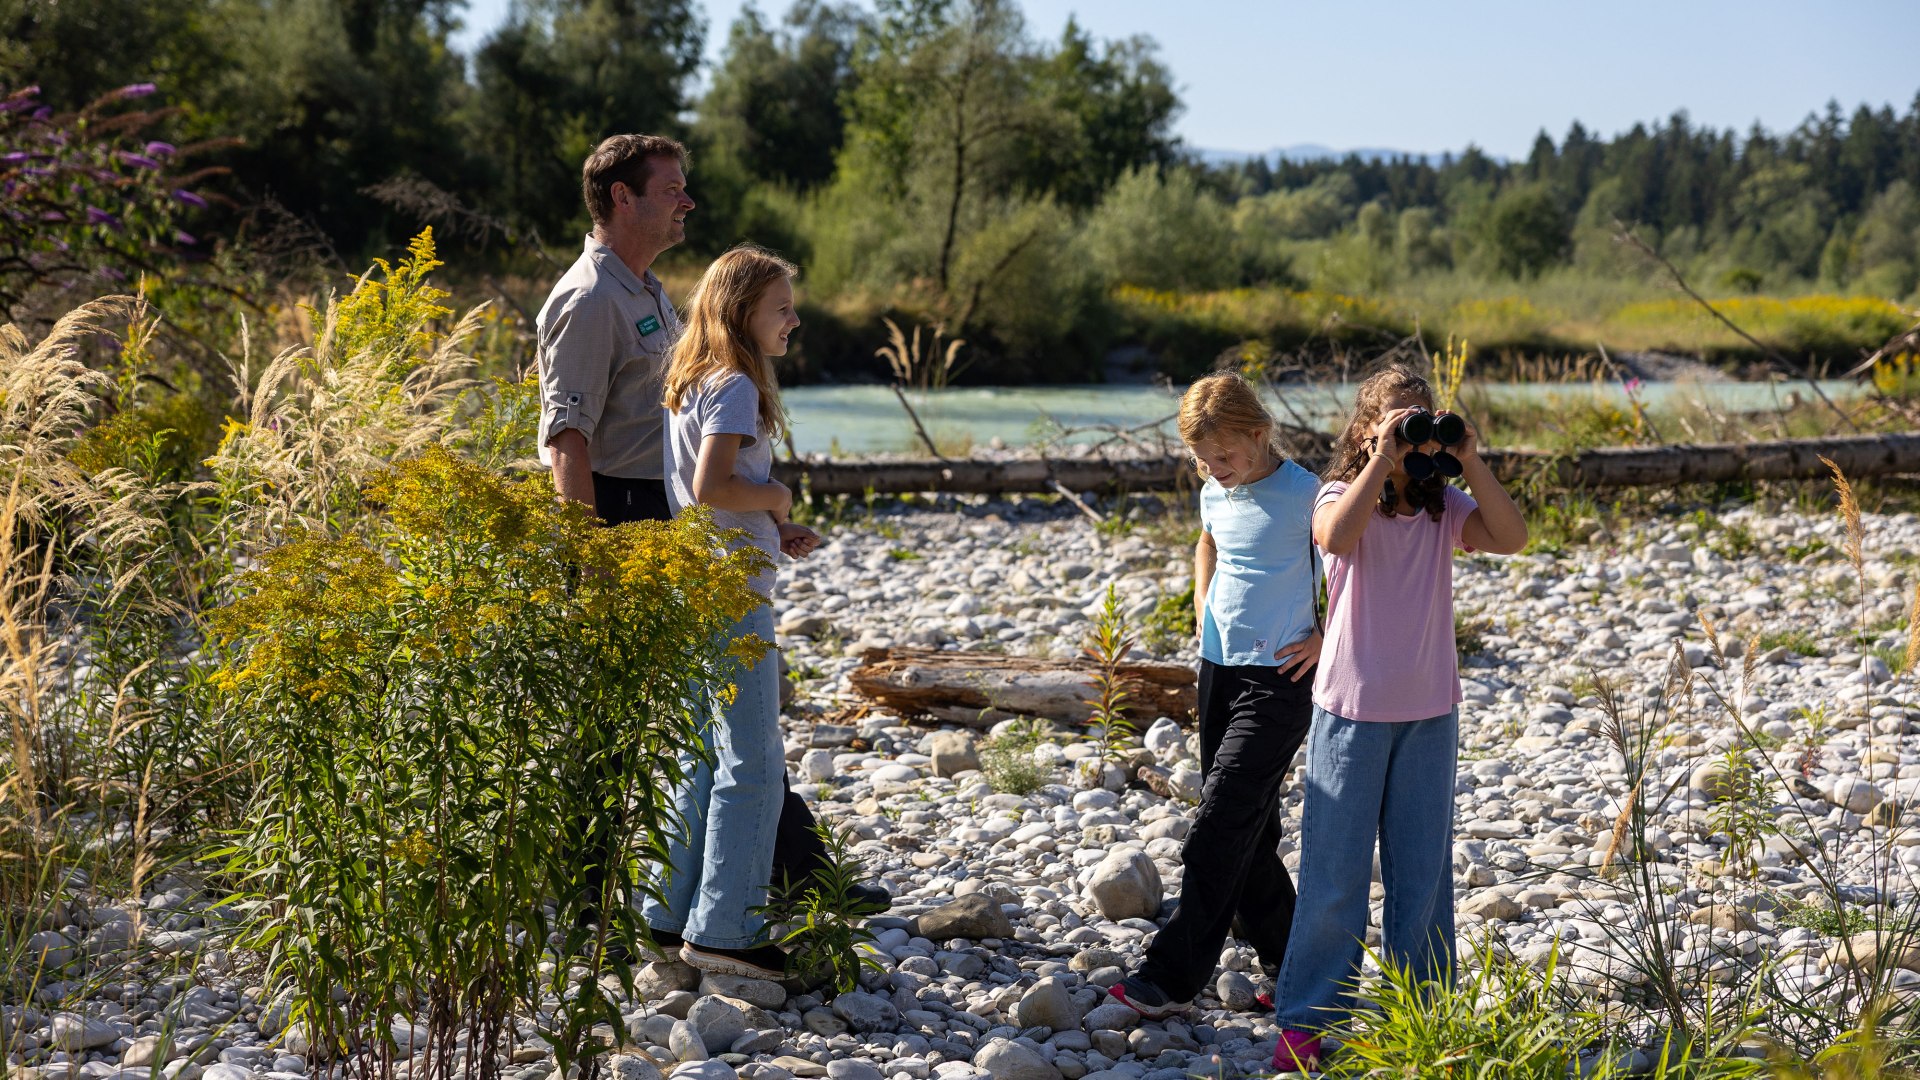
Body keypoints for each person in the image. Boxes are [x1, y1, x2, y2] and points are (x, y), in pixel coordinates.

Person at [534, 135, 885, 937]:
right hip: (619, 515)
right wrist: (587, 553)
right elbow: (567, 438)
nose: (687, 200)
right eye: (672, 189)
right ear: (622, 197)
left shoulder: (646, 287)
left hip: (671, 512)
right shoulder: (589, 297)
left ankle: (782, 873)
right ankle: (596, 899)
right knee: (626, 713)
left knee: (710, 714)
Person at [1269, 365, 1528, 1073]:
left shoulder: (1444, 508)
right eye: (1399, 424)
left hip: (1428, 715)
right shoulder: (1335, 494)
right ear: (1364, 430)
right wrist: (1382, 458)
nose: (1416, 439)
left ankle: (1423, 1018)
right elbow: (1336, 538)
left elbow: (1511, 537)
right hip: (1351, 712)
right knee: (1335, 877)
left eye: (1424, 425)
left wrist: (1469, 457)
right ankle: (1308, 1023)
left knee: (1423, 879)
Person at [1107, 371, 1322, 1019]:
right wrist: (1202, 601)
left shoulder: (1307, 492)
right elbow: (1208, 541)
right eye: (1203, 460)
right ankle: (1297, 965)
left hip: (1280, 680)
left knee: (1218, 824)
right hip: (1219, 671)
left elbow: (1353, 564)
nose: (1216, 469)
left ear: (1261, 434)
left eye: (1226, 456)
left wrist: (1328, 632)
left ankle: (1172, 977)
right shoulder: (1212, 491)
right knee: (1250, 831)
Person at [641, 244, 820, 979]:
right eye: (781, 307)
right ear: (743, 310)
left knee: (700, 753)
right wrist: (777, 497)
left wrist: (774, 528)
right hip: (731, 591)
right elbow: (716, 486)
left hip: (695, 579)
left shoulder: (690, 379)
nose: (793, 319)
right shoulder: (738, 384)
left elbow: (696, 492)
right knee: (753, 759)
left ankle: (663, 914)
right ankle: (725, 931)